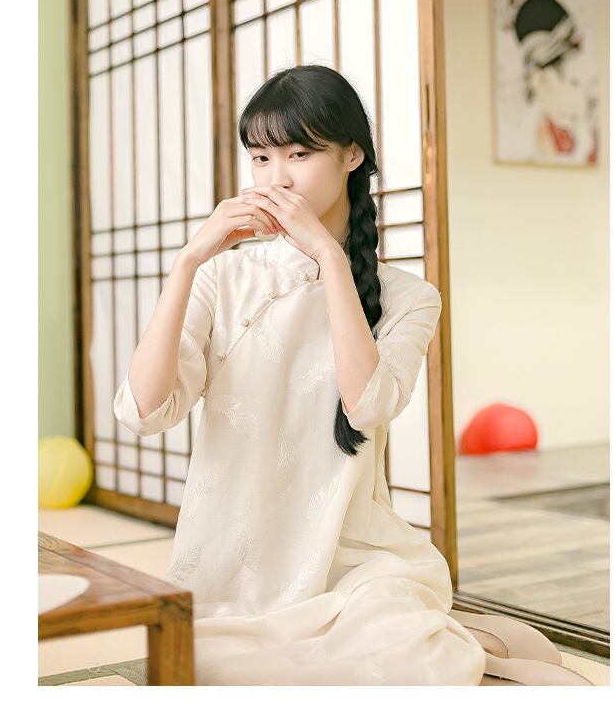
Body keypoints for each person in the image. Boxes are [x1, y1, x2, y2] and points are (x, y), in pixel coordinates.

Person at [113, 63, 487, 684]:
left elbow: (367, 406)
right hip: (235, 568)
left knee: (417, 660)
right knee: (223, 673)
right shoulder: (221, 275)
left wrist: (329, 259)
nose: (276, 178)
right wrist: (187, 261)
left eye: (299, 154)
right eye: (261, 159)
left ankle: (445, 633)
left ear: (351, 156)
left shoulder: (410, 297)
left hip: (356, 562)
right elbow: (144, 412)